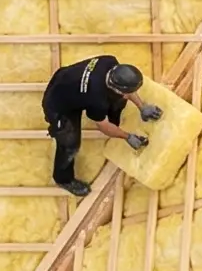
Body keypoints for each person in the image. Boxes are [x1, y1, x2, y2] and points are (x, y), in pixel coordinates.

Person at [46, 55, 161, 198]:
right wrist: (127, 136)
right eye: (126, 93)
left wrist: (142, 107)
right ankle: (63, 179)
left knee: (119, 101)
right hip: (59, 102)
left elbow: (126, 91)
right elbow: (103, 126)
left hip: (68, 79)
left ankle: (115, 121)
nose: (129, 95)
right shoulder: (96, 99)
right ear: (116, 88)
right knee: (70, 143)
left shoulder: (110, 62)